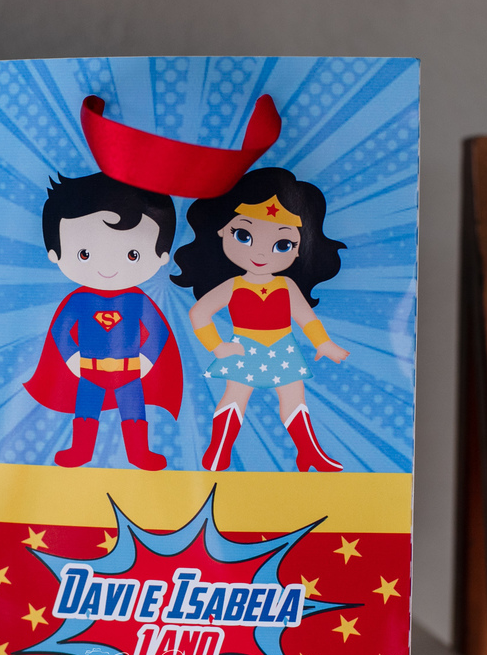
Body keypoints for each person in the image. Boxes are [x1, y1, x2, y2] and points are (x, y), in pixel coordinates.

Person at [172, 167, 349, 472]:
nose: (262, 254)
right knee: (235, 397)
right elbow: (199, 312)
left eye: (283, 244)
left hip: (283, 348)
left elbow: (306, 318)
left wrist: (324, 343)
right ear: (221, 230)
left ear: (302, 248)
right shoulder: (233, 285)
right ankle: (218, 451)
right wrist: (217, 346)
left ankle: (310, 453)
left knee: (294, 399)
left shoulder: (287, 285)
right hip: (245, 347)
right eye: (244, 235)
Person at [24, 173, 182, 470]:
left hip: (130, 372)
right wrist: (72, 358)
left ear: (162, 255)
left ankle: (139, 454)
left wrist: (147, 360)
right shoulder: (77, 301)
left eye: (133, 254)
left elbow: (158, 334)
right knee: (85, 411)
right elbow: (61, 333)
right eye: (84, 253)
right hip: (88, 370)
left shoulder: (138, 301)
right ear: (55, 254)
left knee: (134, 412)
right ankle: (81, 451)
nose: (108, 266)